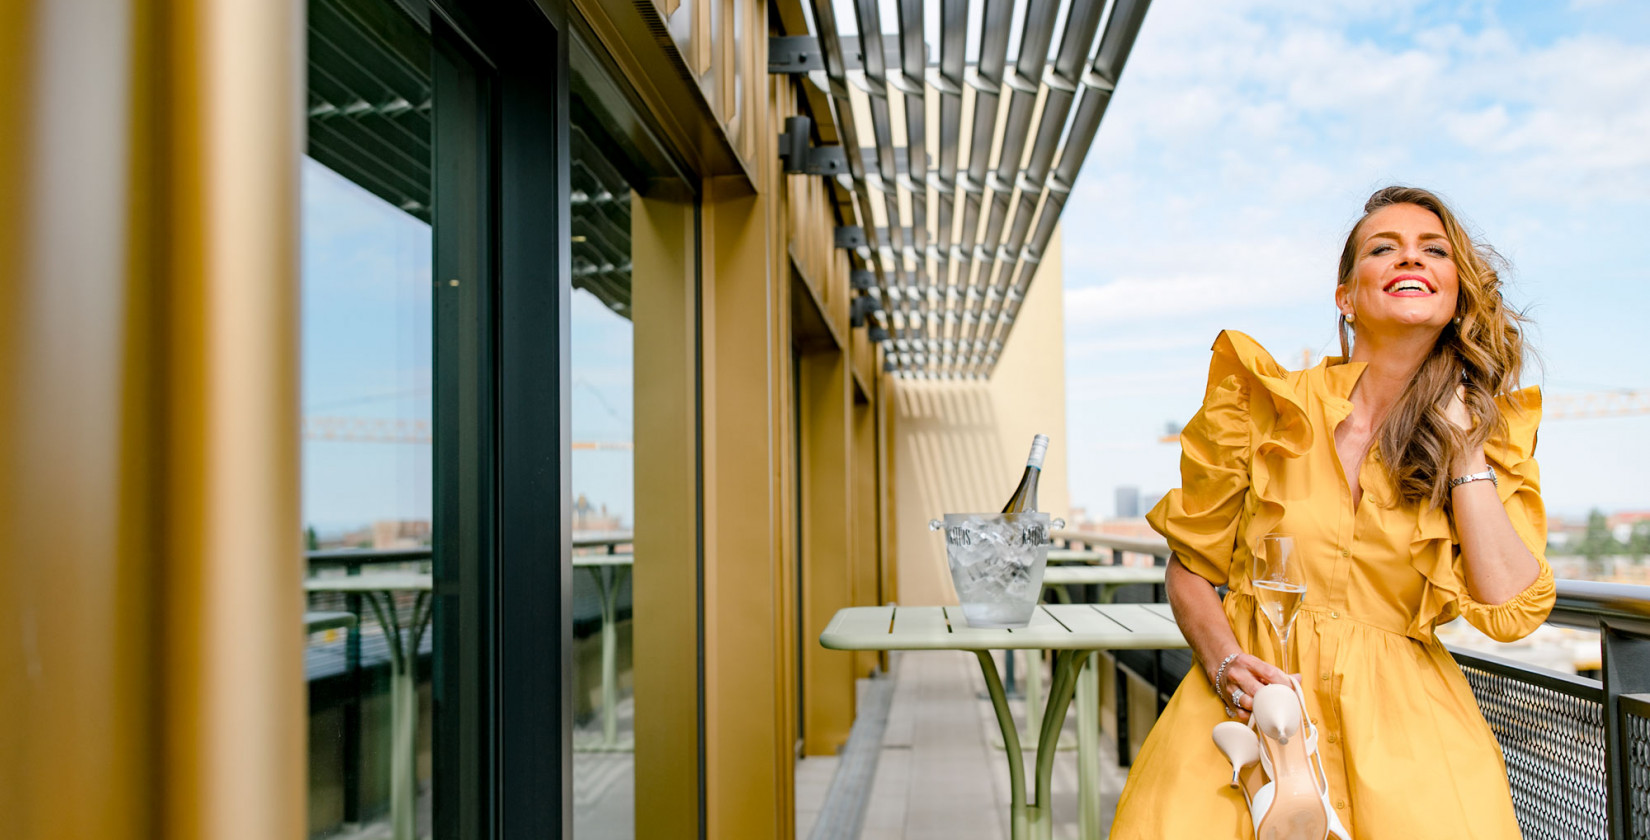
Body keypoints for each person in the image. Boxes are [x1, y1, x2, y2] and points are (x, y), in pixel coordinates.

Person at [1108, 186, 1554, 838]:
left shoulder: (1491, 430)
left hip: (1408, 739)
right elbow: (1190, 570)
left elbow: (1510, 604)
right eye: (1384, 248)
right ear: (1346, 296)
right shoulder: (1260, 404)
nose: (1411, 259)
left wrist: (1463, 451)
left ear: (1455, 291)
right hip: (1251, 727)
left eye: (1434, 250)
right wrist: (1228, 665)